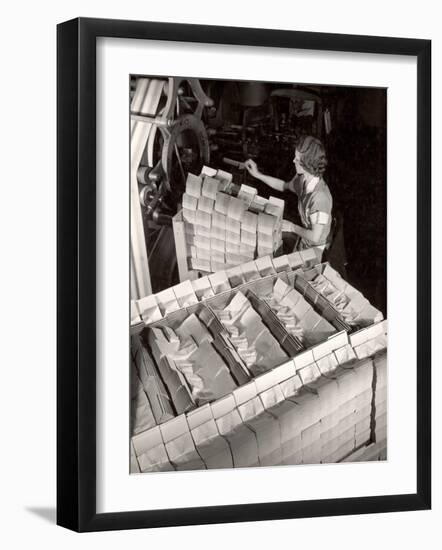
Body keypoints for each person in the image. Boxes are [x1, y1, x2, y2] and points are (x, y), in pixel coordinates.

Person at [245, 135, 333, 254]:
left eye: (297, 159)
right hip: (305, 239)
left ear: (307, 164)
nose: (293, 161)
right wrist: (258, 175)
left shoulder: (319, 198)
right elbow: (283, 186)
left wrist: (292, 227)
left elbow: (315, 236)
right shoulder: (303, 180)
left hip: (317, 249)